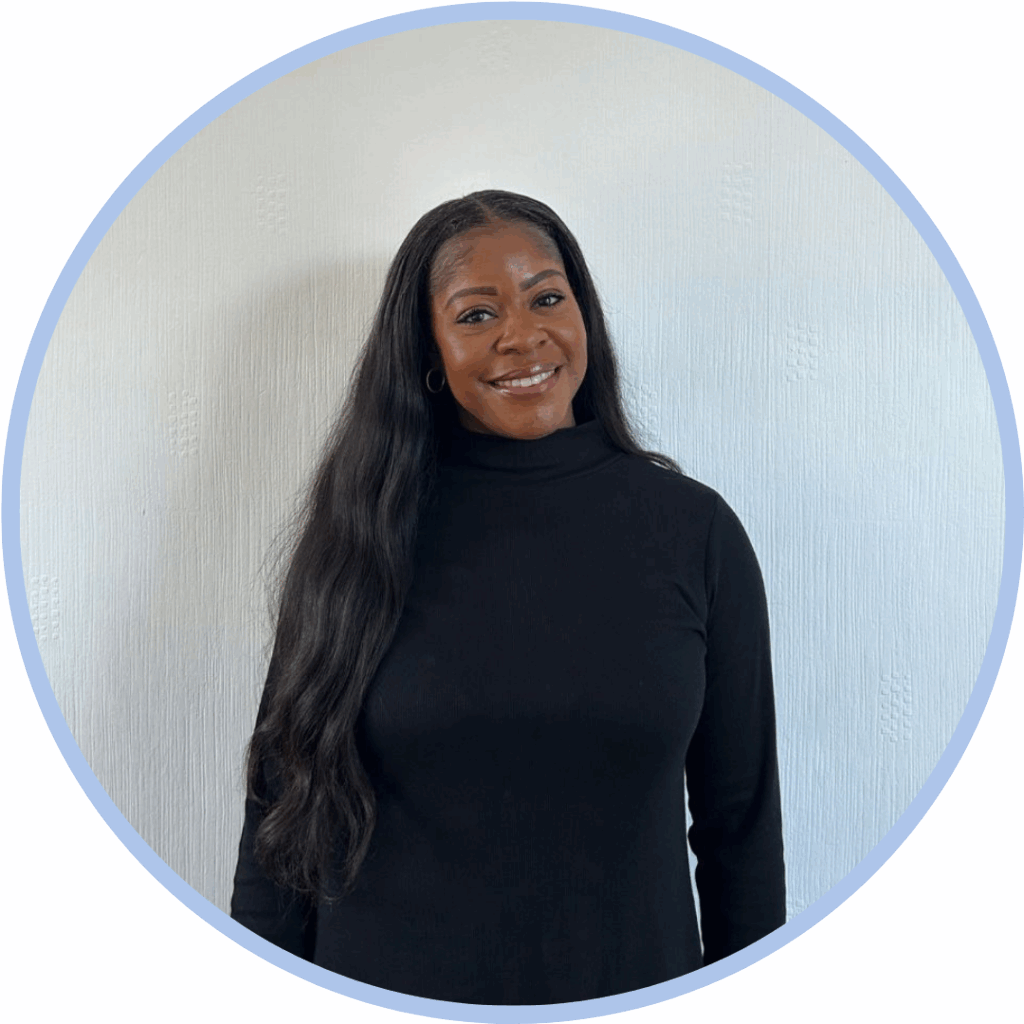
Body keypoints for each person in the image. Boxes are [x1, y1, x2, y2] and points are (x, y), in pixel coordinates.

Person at [230, 189, 786, 1004]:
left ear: (584, 316)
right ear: (428, 349)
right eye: (476, 313)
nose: (523, 336)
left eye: (547, 298)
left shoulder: (693, 532)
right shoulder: (361, 537)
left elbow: (742, 830)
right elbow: (281, 820)